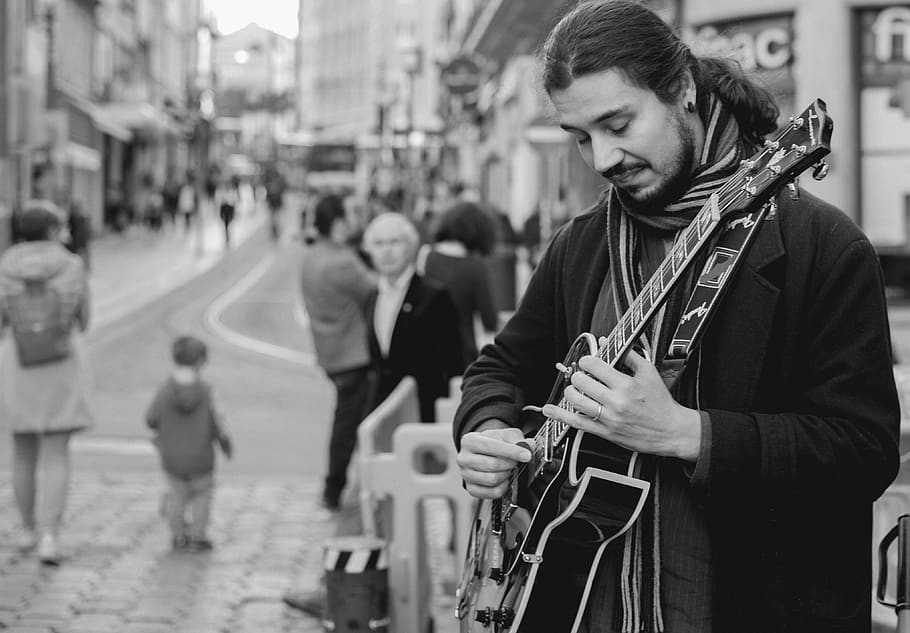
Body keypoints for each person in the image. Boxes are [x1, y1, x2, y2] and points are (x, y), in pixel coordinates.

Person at [453, 2, 900, 633]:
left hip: (754, 605)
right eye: (581, 137)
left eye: (618, 123)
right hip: (584, 597)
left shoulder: (820, 246)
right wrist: (491, 428)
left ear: (682, 90)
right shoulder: (582, 245)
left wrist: (685, 433)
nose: (603, 158)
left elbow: (865, 450)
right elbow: (499, 368)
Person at [0, 199, 94, 565]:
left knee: (23, 451)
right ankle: (50, 537)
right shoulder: (72, 265)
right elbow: (84, 320)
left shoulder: (4, 266)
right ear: (53, 231)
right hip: (61, 361)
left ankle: (25, 530)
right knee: (57, 452)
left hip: (18, 360)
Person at [299, 193, 377, 511]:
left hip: (330, 352)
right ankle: (338, 489)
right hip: (353, 355)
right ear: (336, 223)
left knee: (351, 422)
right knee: (352, 426)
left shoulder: (312, 256)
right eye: (347, 217)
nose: (352, 222)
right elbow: (376, 287)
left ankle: (351, 487)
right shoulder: (342, 262)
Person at [363, 212, 465, 423]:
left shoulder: (435, 296)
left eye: (394, 242)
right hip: (384, 413)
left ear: (410, 247)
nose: (387, 250)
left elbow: (453, 362)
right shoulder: (371, 298)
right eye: (379, 243)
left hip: (426, 415)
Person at [145, 335, 232, 552]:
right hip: (201, 457)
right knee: (202, 495)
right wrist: (225, 442)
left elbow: (151, 419)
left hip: (172, 457)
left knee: (177, 496)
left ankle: (178, 536)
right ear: (201, 361)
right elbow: (219, 421)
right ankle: (197, 536)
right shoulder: (207, 391)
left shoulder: (164, 390)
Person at [418, 201, 499, 368]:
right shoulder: (476, 267)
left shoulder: (424, 256)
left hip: (426, 350)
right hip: (462, 354)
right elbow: (489, 320)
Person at [218, 175, 240, 247]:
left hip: (230, 209)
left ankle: (229, 237)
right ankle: (227, 237)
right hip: (225, 209)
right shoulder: (222, 191)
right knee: (226, 225)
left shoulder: (232, 191)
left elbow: (234, 201)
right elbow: (221, 202)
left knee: (230, 225)